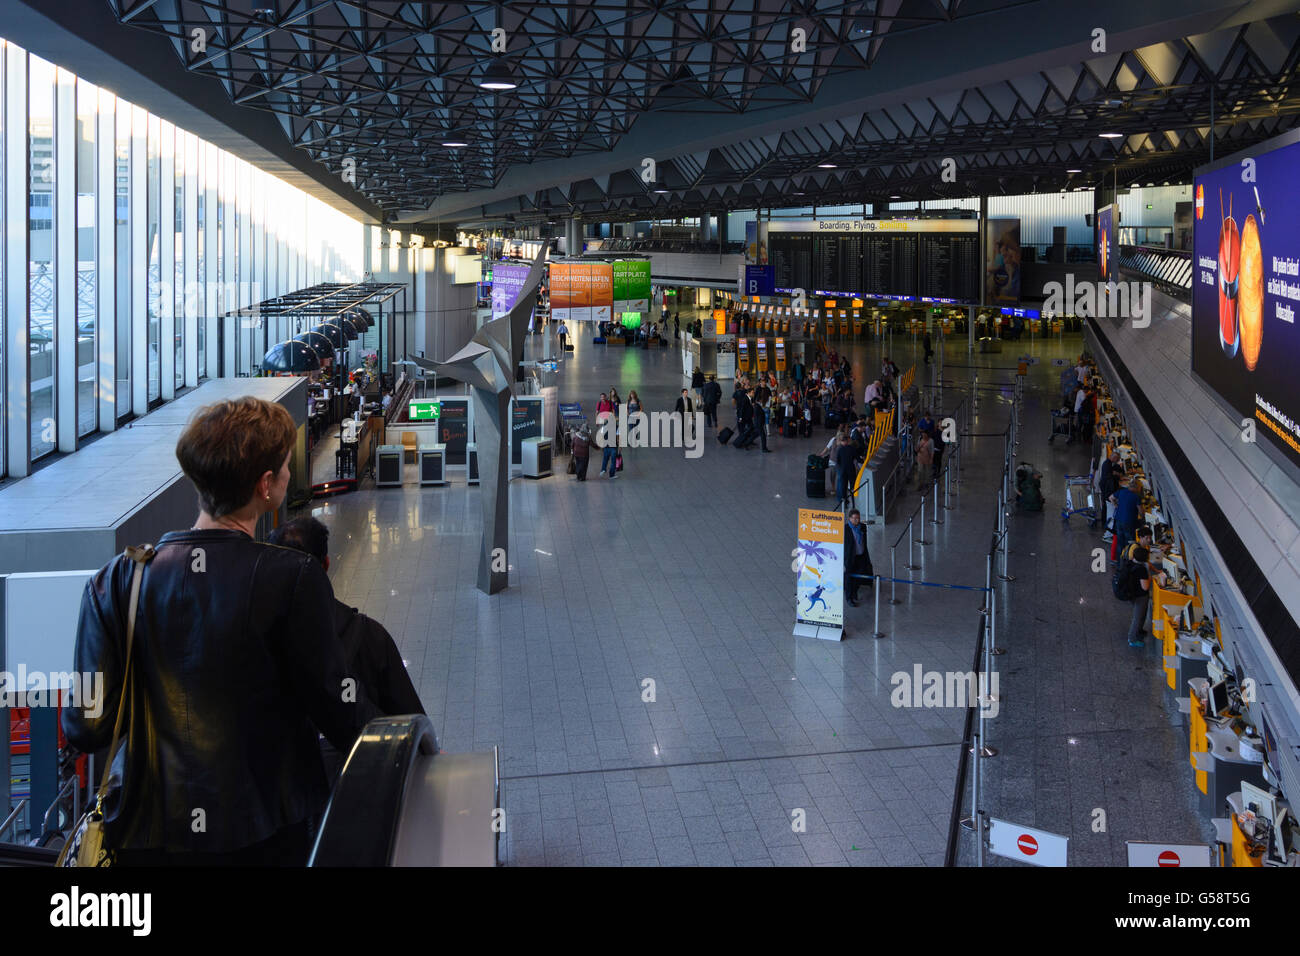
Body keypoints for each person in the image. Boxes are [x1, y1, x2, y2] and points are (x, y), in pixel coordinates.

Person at [64, 397, 378, 866]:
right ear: (266, 486)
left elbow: (86, 727)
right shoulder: (292, 578)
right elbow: (339, 711)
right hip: (264, 834)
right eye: (282, 467)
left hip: (145, 838)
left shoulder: (115, 582)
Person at [268, 517, 425, 783]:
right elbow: (412, 724)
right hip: (359, 793)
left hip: (287, 801)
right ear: (326, 564)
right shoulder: (369, 636)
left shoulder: (259, 642)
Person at [844, 509, 875, 605]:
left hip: (861, 556)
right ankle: (849, 598)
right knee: (849, 578)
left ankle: (854, 593)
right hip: (850, 558)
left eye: (858, 518)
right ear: (850, 518)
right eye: (855, 518)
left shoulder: (862, 527)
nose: (857, 520)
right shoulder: (845, 529)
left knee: (858, 576)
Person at [1108, 476, 1142, 562]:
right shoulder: (1136, 497)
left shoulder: (1121, 492)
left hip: (1118, 521)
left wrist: (1116, 505)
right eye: (1139, 488)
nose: (1139, 489)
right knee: (1130, 543)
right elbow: (1141, 511)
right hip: (1129, 523)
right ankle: (1128, 561)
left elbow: (1111, 497)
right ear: (1135, 487)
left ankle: (1120, 561)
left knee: (1120, 542)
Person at [834, 434, 858, 506]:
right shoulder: (852, 448)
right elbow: (857, 458)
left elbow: (837, 460)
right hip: (851, 470)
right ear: (847, 441)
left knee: (843, 487)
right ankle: (854, 501)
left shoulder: (839, 449)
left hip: (842, 471)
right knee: (852, 487)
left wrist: (840, 468)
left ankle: (844, 502)